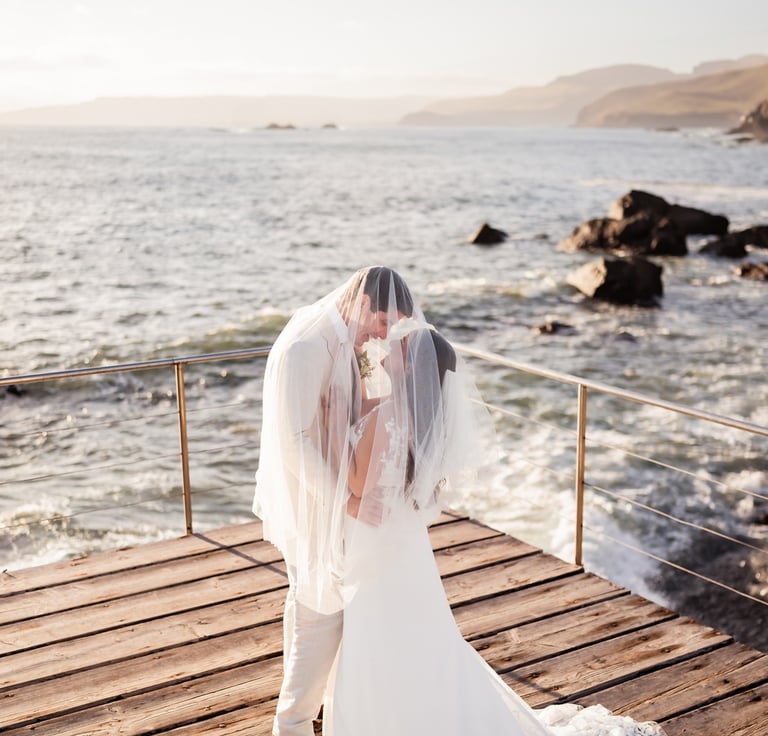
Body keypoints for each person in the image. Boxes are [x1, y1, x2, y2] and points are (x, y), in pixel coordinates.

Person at [321, 319, 669, 736]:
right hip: (403, 542)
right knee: (417, 636)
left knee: (383, 634)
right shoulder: (419, 415)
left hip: (379, 545)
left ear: (410, 366)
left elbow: (358, 481)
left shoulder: (388, 413)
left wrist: (331, 427)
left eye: (403, 344)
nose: (391, 342)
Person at [253, 266, 415, 736]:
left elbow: (361, 404)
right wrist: (344, 499)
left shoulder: (352, 341)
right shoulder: (306, 346)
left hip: (336, 492)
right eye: (384, 322)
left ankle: (319, 708)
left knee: (311, 601)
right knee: (318, 609)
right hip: (315, 499)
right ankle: (293, 723)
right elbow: (294, 439)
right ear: (362, 304)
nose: (386, 333)